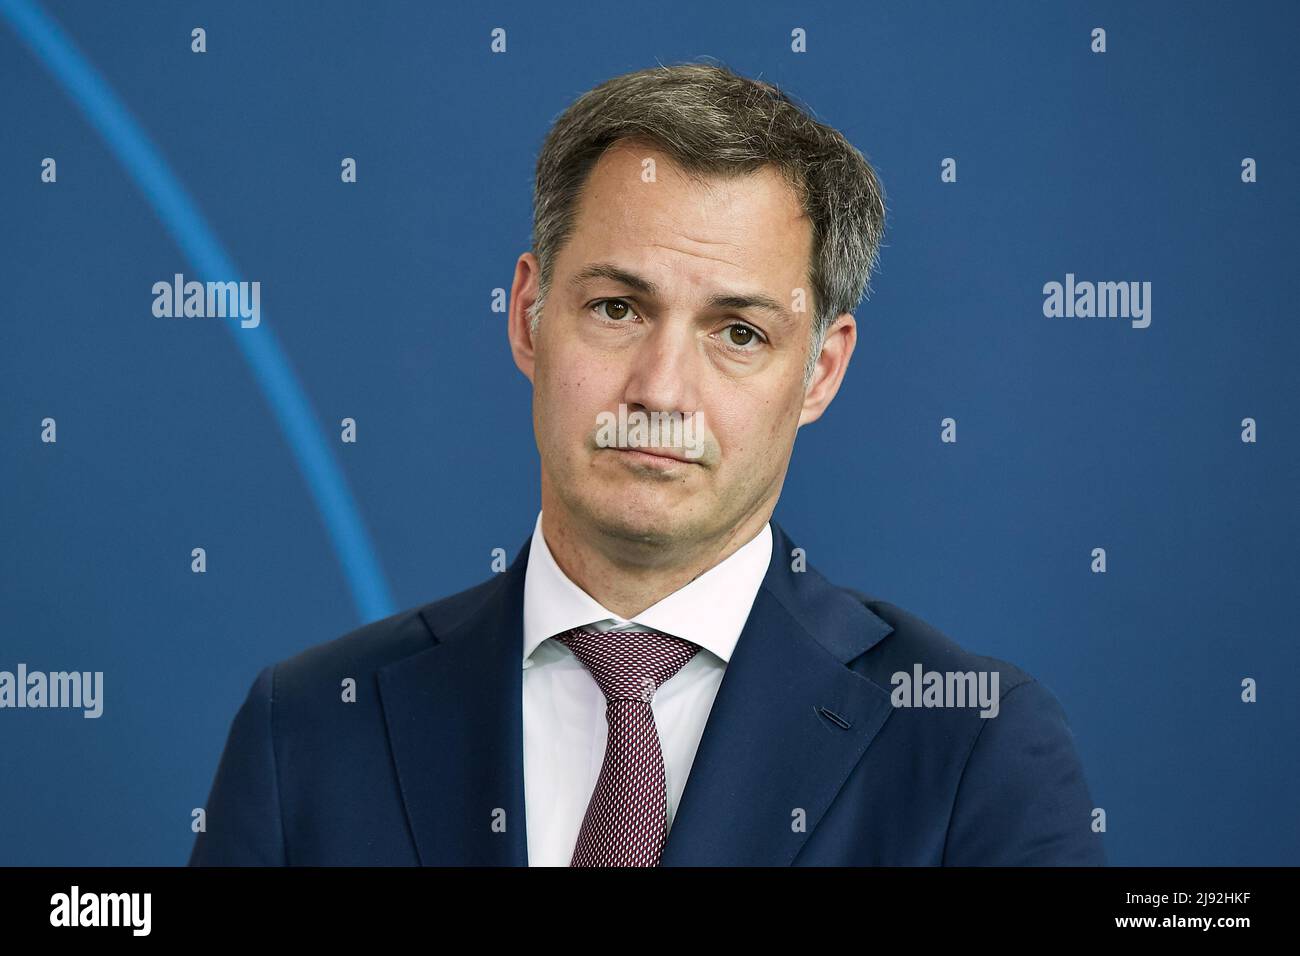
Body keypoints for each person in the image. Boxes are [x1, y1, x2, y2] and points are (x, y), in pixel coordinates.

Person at [189, 62, 1105, 866]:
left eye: (739, 332)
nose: (661, 392)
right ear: (528, 315)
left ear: (820, 371)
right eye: (618, 309)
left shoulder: (968, 744)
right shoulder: (306, 727)